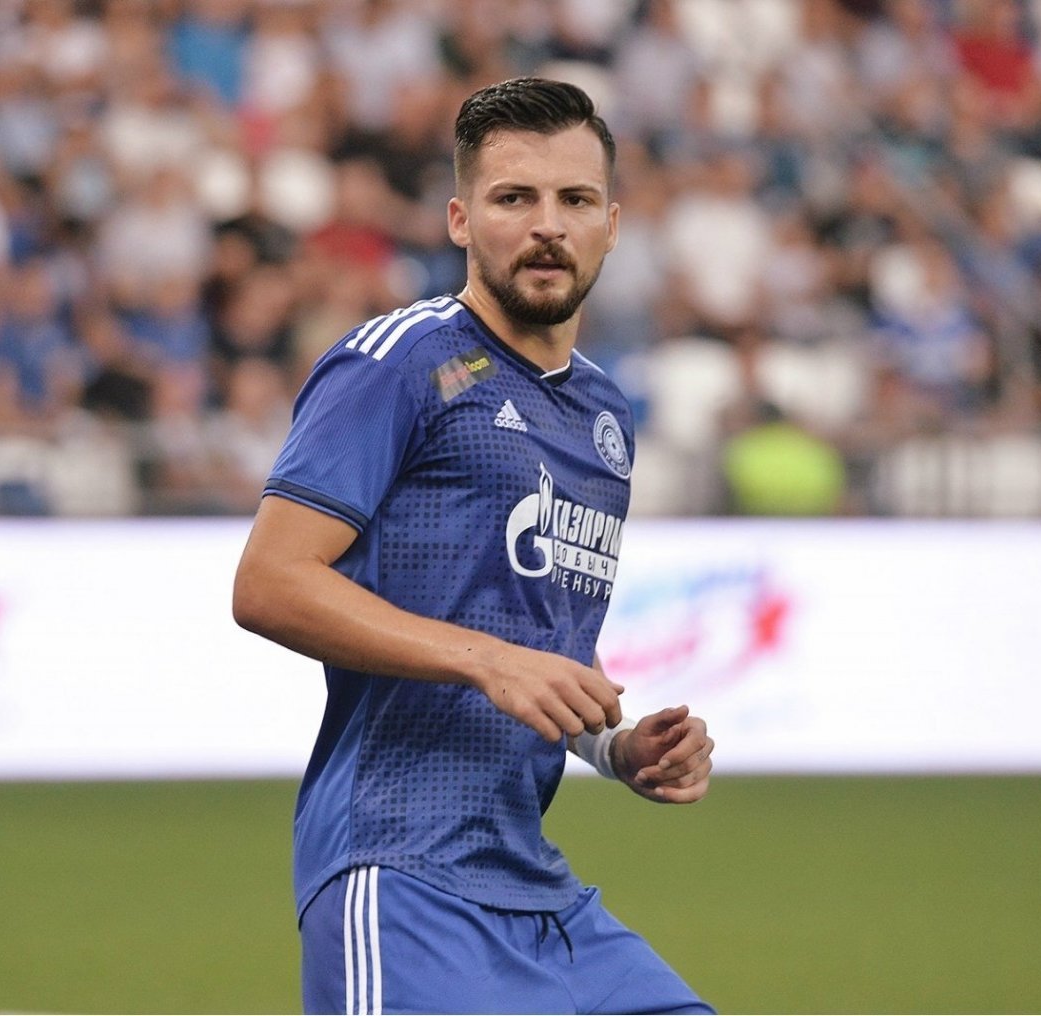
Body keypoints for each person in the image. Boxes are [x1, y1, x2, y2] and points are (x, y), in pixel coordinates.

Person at [233, 77, 715, 1015]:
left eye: (575, 200)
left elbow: (536, 640)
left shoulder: (604, 414)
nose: (548, 225)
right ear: (460, 220)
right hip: (399, 869)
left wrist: (614, 745)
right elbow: (269, 581)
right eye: (514, 198)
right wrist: (487, 661)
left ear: (612, 225)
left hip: (532, 881)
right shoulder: (399, 361)